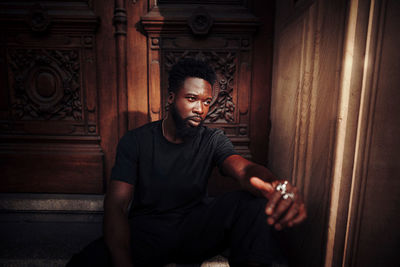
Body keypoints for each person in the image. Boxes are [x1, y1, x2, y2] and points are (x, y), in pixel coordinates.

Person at [68, 58, 306, 267]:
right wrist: (122, 261)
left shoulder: (212, 139)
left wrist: (274, 187)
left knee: (253, 202)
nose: (200, 109)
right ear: (171, 97)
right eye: (192, 98)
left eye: (206, 102)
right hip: (149, 232)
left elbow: (244, 169)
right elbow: (116, 206)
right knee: (85, 262)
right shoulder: (136, 141)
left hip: (195, 229)